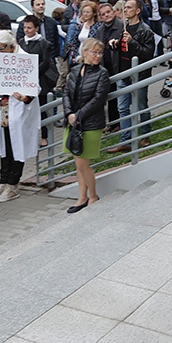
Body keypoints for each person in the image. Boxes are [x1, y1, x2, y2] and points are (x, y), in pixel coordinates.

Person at [0, 31, 40, 203]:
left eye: (1, 49)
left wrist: (26, 97)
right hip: (4, 108)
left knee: (17, 146)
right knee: (5, 146)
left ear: (11, 46)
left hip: (20, 108)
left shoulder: (24, 59)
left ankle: (13, 184)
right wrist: (3, 90)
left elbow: (35, 87)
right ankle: (4, 181)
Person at [62, 38, 110, 213]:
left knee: (83, 164)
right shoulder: (75, 70)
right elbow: (66, 93)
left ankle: (93, 195)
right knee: (78, 164)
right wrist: (69, 114)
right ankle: (82, 197)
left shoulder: (102, 73)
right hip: (73, 122)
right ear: (84, 52)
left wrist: (78, 115)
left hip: (90, 123)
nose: (98, 56)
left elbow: (98, 99)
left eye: (100, 53)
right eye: (94, 52)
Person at [107, 0, 155, 152]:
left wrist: (132, 42)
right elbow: (124, 50)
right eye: (125, 7)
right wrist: (115, 45)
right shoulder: (124, 27)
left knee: (141, 105)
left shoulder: (145, 30)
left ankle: (146, 133)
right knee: (122, 108)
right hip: (123, 73)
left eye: (129, 7)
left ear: (138, 10)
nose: (125, 10)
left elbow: (147, 54)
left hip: (139, 75)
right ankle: (125, 139)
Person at [18, 15, 58, 147]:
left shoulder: (43, 43)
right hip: (25, 81)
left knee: (41, 109)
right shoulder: (21, 42)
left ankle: (44, 136)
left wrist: (32, 72)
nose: (27, 30)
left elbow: (45, 63)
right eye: (25, 27)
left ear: (36, 28)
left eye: (29, 28)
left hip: (40, 80)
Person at [95, 2, 123, 132]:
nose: (106, 15)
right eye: (103, 14)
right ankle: (112, 122)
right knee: (110, 95)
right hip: (105, 65)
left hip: (117, 64)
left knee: (119, 96)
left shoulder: (121, 26)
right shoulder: (100, 29)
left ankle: (118, 122)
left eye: (108, 12)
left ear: (114, 12)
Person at [64, 1, 101, 66]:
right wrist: (77, 57)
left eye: (88, 12)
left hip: (91, 58)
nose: (85, 14)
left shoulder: (98, 27)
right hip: (79, 58)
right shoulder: (80, 26)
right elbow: (74, 43)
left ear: (94, 13)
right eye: (84, 12)